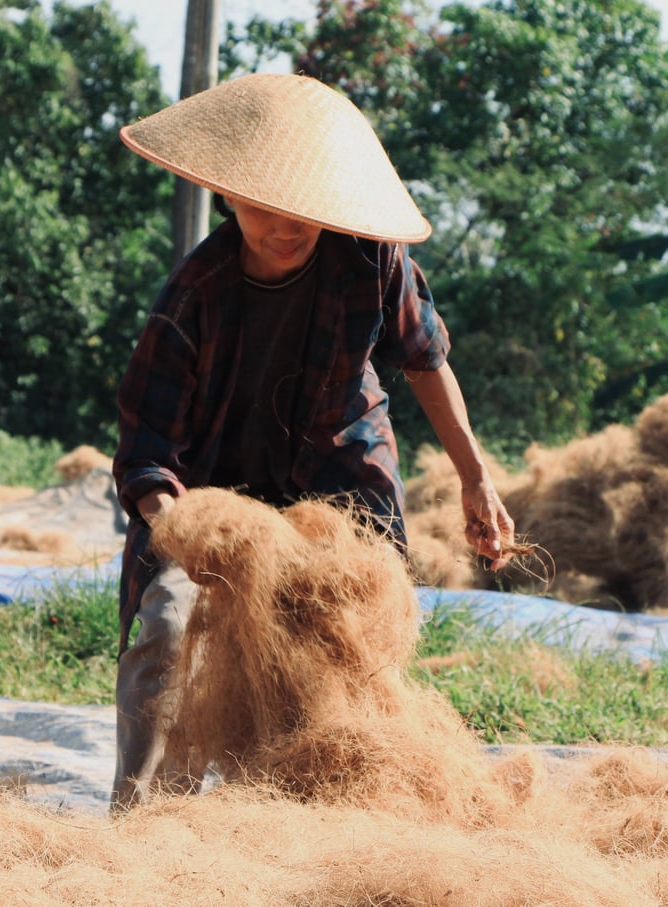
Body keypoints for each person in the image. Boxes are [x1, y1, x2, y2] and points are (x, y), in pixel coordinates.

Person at [110, 73, 515, 810]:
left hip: (337, 486)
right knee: (168, 629)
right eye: (265, 207)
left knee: (353, 641)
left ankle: (325, 813)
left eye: (305, 209)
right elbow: (144, 454)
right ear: (228, 195)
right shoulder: (193, 297)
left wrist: (475, 477)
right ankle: (143, 827)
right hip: (210, 506)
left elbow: (426, 360)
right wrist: (189, 535)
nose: (287, 226)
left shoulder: (370, 259)